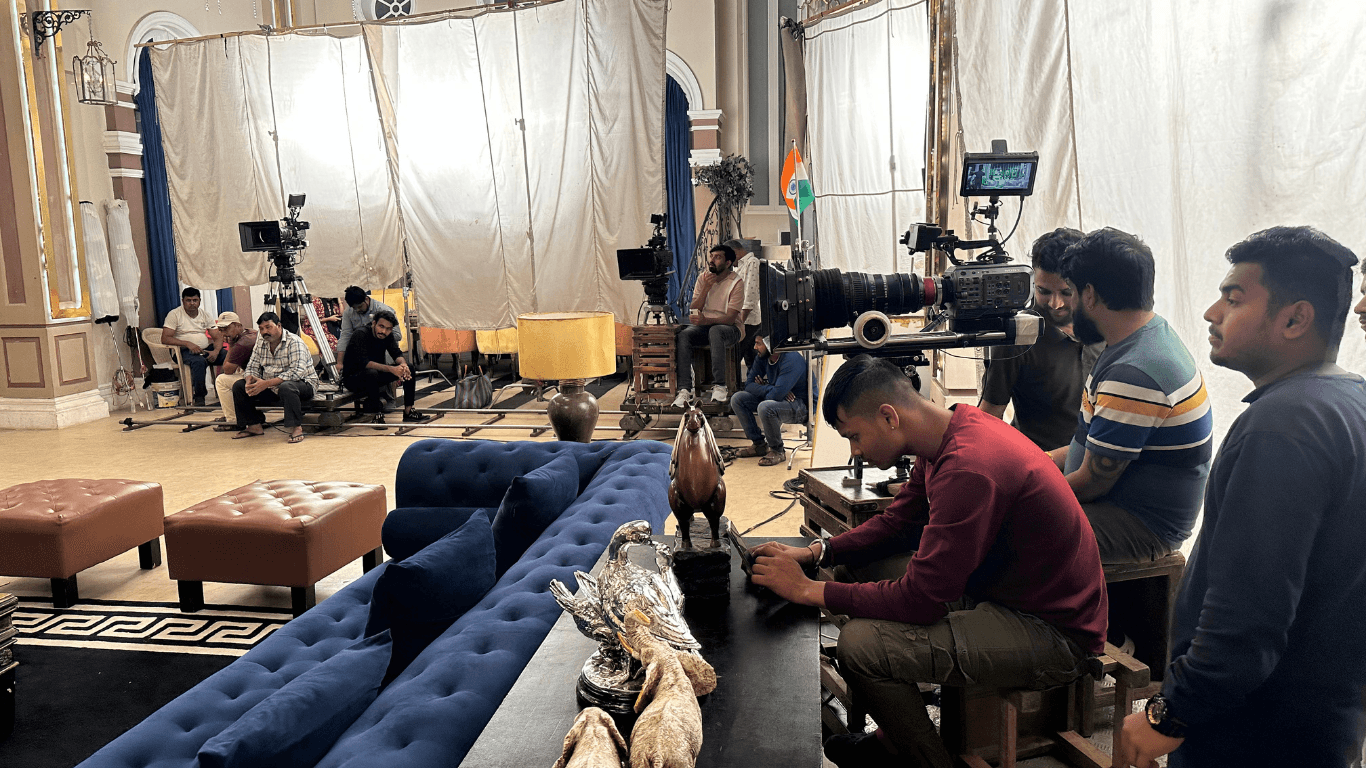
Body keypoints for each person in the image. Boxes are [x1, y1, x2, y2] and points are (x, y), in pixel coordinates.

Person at [750, 355, 1108, 768]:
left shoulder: (970, 467)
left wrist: (806, 589)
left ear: (888, 417)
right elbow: (898, 524)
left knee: (859, 647)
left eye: (854, 436)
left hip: (1053, 631)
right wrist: (817, 553)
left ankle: (926, 760)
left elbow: (922, 600)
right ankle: (894, 736)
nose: (856, 451)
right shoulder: (948, 431)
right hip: (999, 591)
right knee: (854, 571)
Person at [1117, 227, 1366, 768]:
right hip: (1323, 718)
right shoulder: (1351, 401)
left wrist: (1172, 713)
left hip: (1254, 733)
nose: (1211, 312)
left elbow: (1248, 612)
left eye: (1234, 298)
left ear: (1295, 319)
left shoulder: (1284, 425)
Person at [1049, 228, 1212, 563]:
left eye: (1071, 293)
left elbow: (1093, 483)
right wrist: (1033, 462)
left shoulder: (1135, 374)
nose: (1064, 304)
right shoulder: (1146, 334)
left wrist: (1019, 490)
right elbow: (1096, 443)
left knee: (1006, 527)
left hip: (1138, 524)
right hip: (1117, 504)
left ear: (1090, 294)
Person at [979, 227, 1103, 450]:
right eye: (1043, 291)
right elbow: (988, 417)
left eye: (1066, 292)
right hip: (1038, 469)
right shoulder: (1019, 336)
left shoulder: (1108, 326)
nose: (1055, 304)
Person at [672, 245, 744, 407]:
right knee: (683, 335)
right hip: (707, 326)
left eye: (718, 257)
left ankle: (720, 386)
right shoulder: (703, 278)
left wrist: (705, 321)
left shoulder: (736, 282)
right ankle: (685, 389)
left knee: (716, 331)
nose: (712, 260)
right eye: (711, 256)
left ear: (728, 263)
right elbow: (695, 306)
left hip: (732, 329)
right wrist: (705, 288)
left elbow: (731, 318)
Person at [231, 312, 319, 444]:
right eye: (261, 329)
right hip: (272, 386)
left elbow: (296, 373)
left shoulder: (294, 342)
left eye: (268, 327)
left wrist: (266, 383)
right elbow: (252, 366)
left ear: (279, 326)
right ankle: (254, 425)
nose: (264, 332)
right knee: (239, 386)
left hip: (303, 384)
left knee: (287, 386)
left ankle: (296, 427)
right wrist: (250, 379)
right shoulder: (261, 343)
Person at [729, 336, 811, 466]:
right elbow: (749, 385)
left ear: (770, 344)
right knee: (738, 399)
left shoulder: (791, 358)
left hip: (801, 405)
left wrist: (773, 390)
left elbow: (776, 396)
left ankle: (777, 450)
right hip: (781, 399)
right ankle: (759, 445)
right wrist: (771, 388)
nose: (755, 348)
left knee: (765, 407)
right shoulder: (763, 357)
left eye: (758, 344)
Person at [342, 310, 424, 423]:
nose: (384, 331)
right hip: (354, 378)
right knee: (371, 373)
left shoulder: (387, 336)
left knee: (409, 367)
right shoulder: (361, 334)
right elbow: (365, 363)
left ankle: (408, 411)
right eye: (381, 326)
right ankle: (376, 414)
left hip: (375, 374)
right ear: (374, 323)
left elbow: (396, 353)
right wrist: (392, 369)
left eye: (388, 329)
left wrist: (403, 366)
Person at [160, 287, 214, 406]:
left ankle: (229, 392)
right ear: (183, 301)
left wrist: (217, 351)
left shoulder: (205, 315)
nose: (192, 303)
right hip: (183, 351)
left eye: (195, 300)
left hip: (204, 349)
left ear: (199, 301)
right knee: (199, 362)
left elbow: (217, 336)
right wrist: (187, 343)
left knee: (227, 356)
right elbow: (165, 338)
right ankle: (199, 397)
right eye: (188, 300)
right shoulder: (174, 314)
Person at [208, 312, 257, 432]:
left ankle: (233, 420)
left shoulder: (242, 343)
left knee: (221, 380)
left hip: (259, 378)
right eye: (221, 329)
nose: (224, 333)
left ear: (238, 326)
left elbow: (227, 370)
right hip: (260, 374)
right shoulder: (251, 332)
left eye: (227, 328)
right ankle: (239, 414)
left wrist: (230, 345)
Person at [337, 285, 402, 372]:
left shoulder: (383, 310)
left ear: (366, 299)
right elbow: (345, 336)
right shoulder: (348, 312)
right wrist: (339, 363)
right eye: (354, 308)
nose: (357, 310)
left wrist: (380, 333)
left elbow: (398, 335)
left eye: (360, 307)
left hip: (382, 350)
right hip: (362, 352)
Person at [725, 238, 764, 372]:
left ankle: (745, 387)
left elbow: (750, 296)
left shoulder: (752, 263)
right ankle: (747, 387)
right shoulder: (740, 266)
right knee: (749, 358)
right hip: (742, 320)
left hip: (748, 321)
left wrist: (739, 322)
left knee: (738, 357)